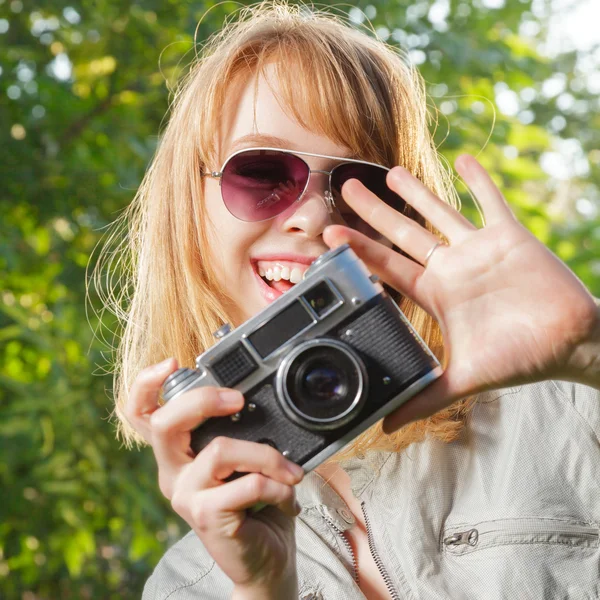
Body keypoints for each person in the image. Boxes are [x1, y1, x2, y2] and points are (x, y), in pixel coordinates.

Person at [100, 2, 600, 599]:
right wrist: (264, 586)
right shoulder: (191, 584)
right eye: (263, 174)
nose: (314, 216)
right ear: (189, 207)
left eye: (356, 186)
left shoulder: (563, 405)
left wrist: (591, 349)